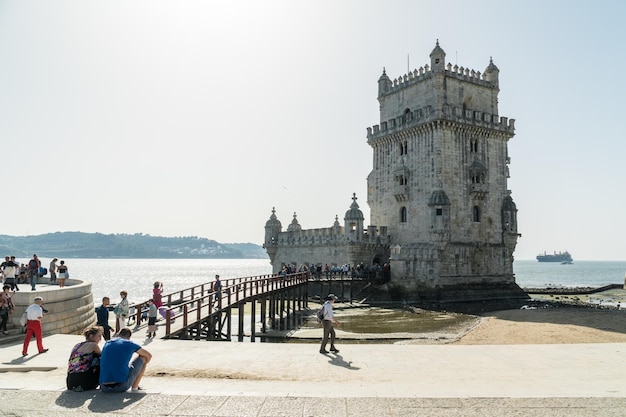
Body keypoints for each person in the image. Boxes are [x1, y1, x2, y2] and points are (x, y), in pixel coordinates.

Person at [99, 328, 152, 392]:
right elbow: (148, 355)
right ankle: (135, 387)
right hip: (121, 386)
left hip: (104, 387)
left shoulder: (108, 343)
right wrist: (144, 364)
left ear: (118, 334)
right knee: (143, 358)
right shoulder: (130, 343)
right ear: (129, 337)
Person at [66, 326, 103, 391]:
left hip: (70, 382)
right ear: (91, 336)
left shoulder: (77, 345)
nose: (100, 339)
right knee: (98, 358)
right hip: (83, 382)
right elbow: (103, 356)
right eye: (99, 336)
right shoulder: (93, 345)